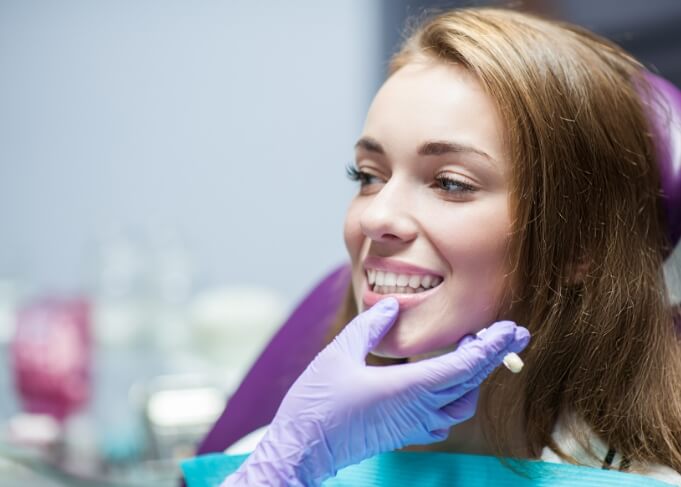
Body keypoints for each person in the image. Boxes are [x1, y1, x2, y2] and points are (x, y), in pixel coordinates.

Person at [220, 7, 681, 486]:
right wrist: (287, 463)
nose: (376, 218)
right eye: (368, 176)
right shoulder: (275, 458)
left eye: (451, 183)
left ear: (578, 247)